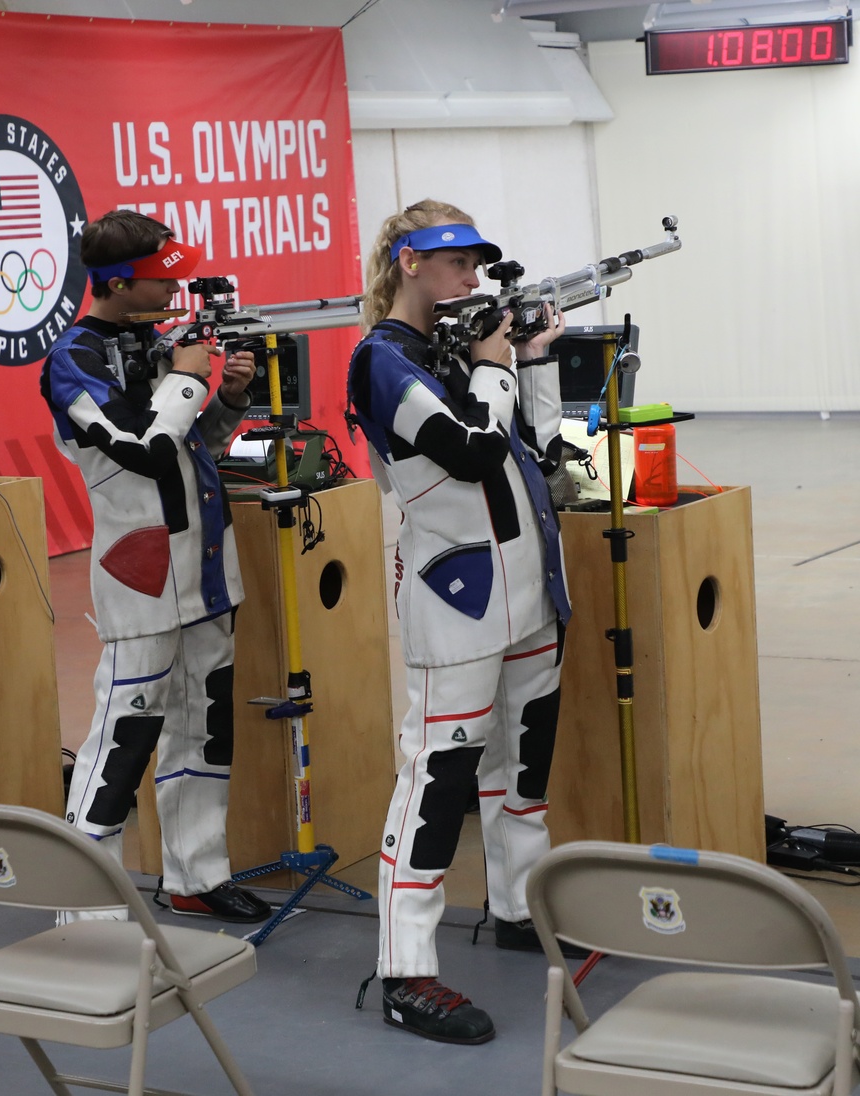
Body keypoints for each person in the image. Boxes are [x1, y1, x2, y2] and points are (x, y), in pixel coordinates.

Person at [347, 199, 573, 1043]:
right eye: (455, 263)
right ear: (408, 262)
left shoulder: (459, 350)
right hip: (459, 598)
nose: (471, 278)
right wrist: (494, 363)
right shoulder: (383, 360)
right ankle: (406, 972)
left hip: (525, 592)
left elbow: (536, 455)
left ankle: (517, 906)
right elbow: (472, 446)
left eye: (477, 265)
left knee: (523, 768)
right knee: (438, 780)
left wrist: (533, 361)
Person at [40, 209, 270, 924]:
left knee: (204, 726)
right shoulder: (71, 358)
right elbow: (139, 447)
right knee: (125, 732)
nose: (173, 289)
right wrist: (183, 379)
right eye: (158, 279)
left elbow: (193, 442)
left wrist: (225, 394)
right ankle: (86, 901)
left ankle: (195, 876)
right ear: (114, 283)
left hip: (203, 566)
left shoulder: (158, 342)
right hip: (139, 573)